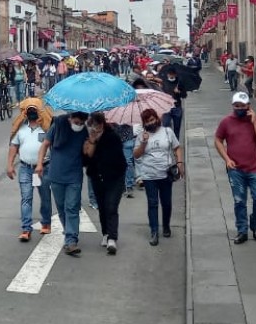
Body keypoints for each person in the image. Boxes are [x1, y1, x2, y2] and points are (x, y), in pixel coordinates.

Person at [214, 92, 256, 244]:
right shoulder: (226, 122)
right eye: (236, 106)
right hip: (236, 169)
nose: (239, 108)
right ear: (233, 106)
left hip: (255, 168)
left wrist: (254, 122)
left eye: (242, 106)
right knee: (239, 201)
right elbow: (218, 140)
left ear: (248, 106)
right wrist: (226, 159)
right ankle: (242, 230)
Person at [36, 111, 89, 255]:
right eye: (76, 122)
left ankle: (71, 240)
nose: (78, 125)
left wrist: (92, 140)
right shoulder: (58, 125)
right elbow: (45, 145)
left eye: (81, 123)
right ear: (70, 118)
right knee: (61, 207)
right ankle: (68, 233)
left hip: (74, 175)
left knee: (72, 207)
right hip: (56, 174)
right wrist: (39, 164)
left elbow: (87, 152)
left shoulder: (85, 130)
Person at [133, 108, 183, 246]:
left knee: (166, 203)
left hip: (165, 174)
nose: (151, 123)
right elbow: (136, 155)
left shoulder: (167, 132)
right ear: (144, 123)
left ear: (157, 119)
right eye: (147, 121)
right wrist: (143, 142)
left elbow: (177, 147)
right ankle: (154, 231)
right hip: (149, 175)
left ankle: (166, 225)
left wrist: (179, 163)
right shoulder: (141, 135)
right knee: (152, 203)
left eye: (152, 119)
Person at [7, 104, 53, 241]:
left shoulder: (46, 128)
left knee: (45, 196)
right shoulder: (20, 129)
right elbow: (14, 146)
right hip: (26, 169)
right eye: (30, 111)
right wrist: (9, 165)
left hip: (42, 169)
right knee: (26, 198)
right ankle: (26, 228)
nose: (32, 113)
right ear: (25, 114)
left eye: (35, 111)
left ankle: (46, 222)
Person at [83, 112, 127, 254]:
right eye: (91, 126)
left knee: (111, 206)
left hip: (114, 179)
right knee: (102, 207)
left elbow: (117, 160)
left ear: (102, 124)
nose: (94, 128)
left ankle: (112, 238)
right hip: (97, 178)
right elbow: (86, 160)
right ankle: (105, 233)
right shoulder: (89, 139)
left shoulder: (112, 137)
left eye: (96, 125)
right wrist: (92, 142)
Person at [160, 68, 187, 139]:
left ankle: (176, 143)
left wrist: (179, 92)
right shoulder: (164, 82)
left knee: (177, 127)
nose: (170, 75)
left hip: (177, 108)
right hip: (166, 108)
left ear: (175, 74)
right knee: (165, 125)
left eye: (172, 74)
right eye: (169, 74)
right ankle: (166, 141)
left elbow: (184, 95)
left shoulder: (179, 83)